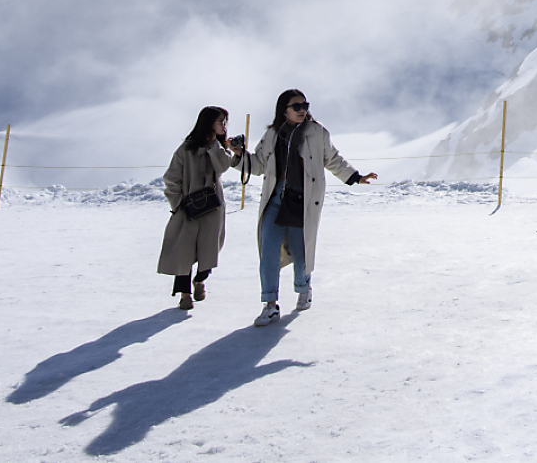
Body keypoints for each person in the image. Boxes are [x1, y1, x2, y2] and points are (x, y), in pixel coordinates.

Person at [240, 89, 377, 326]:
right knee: (268, 251)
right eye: (296, 106)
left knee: (300, 249)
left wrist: (355, 177)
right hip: (275, 198)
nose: (302, 109)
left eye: (304, 105)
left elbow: (332, 159)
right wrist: (237, 155)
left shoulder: (317, 132)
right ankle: (270, 304)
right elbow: (258, 164)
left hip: (302, 199)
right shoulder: (272, 134)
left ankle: (303, 288)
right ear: (284, 109)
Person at [158, 105, 241, 311]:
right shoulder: (185, 149)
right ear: (208, 123)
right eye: (220, 121)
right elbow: (171, 179)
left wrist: (215, 146)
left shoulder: (219, 148)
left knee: (209, 249)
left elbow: (223, 166)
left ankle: (200, 280)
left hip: (212, 209)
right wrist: (177, 205)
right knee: (183, 252)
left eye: (225, 122)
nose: (224, 126)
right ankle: (185, 294)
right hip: (188, 210)